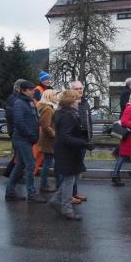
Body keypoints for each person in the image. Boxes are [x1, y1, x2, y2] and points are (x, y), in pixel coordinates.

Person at [50, 89, 93, 220]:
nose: (79, 101)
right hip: (67, 151)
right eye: (77, 99)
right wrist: (83, 143)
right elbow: (66, 137)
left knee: (75, 176)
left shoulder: (65, 113)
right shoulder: (67, 115)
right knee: (70, 179)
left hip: (68, 150)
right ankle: (66, 208)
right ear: (70, 101)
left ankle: (57, 200)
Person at [5, 81, 49, 202]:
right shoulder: (19, 103)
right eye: (30, 90)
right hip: (22, 139)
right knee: (30, 164)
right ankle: (31, 193)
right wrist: (31, 135)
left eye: (33, 89)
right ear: (24, 91)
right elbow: (19, 122)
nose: (33, 91)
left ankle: (10, 192)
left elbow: (34, 119)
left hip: (26, 139)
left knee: (20, 165)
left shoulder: (29, 102)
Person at [69, 80, 92, 203]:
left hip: (83, 138)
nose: (80, 90)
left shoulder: (85, 102)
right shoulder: (69, 103)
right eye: (77, 89)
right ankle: (68, 194)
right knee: (72, 168)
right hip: (74, 139)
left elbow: (88, 120)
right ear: (72, 90)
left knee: (78, 168)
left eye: (81, 88)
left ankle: (74, 192)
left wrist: (90, 135)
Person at [37, 89, 59, 193]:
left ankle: (45, 183)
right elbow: (45, 126)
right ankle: (43, 184)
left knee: (48, 162)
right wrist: (55, 135)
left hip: (48, 140)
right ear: (49, 97)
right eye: (55, 95)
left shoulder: (49, 107)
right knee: (48, 162)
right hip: (49, 140)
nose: (56, 97)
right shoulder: (48, 109)